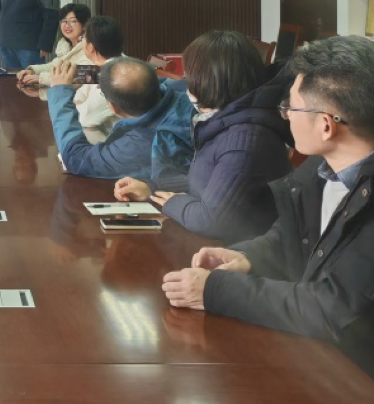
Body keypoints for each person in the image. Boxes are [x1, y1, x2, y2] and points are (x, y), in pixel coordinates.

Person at [162, 36, 374, 404]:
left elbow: (332, 309)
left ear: (327, 125)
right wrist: (248, 257)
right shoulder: (328, 163)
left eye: (290, 107)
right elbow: (292, 232)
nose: (285, 115)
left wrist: (215, 291)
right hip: (335, 362)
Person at [115, 30, 293, 244]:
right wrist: (151, 187)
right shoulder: (229, 120)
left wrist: (172, 203)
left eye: (189, 77)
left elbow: (212, 220)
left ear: (208, 82)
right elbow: (204, 181)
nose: (186, 82)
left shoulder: (243, 140)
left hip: (237, 252)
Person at [47, 54, 194, 182]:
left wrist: (60, 92)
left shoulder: (138, 145)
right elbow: (136, 80)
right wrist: (88, 75)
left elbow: (76, 158)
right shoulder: (186, 91)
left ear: (113, 108)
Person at [16, 3, 92, 85]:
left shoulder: (90, 48)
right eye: (64, 21)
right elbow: (54, 66)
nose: (67, 25)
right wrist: (33, 70)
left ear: (85, 25)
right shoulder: (65, 45)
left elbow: (84, 76)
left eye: (73, 21)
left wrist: (41, 78)